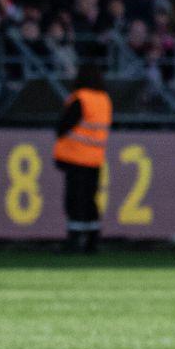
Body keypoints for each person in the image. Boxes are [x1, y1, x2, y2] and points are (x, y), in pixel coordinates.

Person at [52, 63, 111, 253]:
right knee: (90, 200)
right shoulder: (104, 100)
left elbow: (63, 126)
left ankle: (74, 241)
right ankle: (93, 241)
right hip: (95, 158)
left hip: (76, 157)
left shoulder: (81, 98)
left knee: (74, 200)